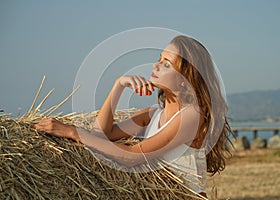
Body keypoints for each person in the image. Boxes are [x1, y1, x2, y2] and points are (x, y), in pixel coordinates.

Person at [32, 35, 232, 198]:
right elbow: (101, 134)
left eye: (167, 64)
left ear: (184, 79)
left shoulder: (191, 116)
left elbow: (131, 157)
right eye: (159, 58)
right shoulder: (153, 114)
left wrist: (72, 132)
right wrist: (118, 86)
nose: (156, 65)